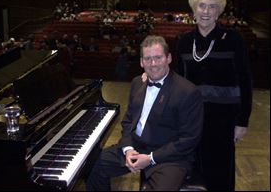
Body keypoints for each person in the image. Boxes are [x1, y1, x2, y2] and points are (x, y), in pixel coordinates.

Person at [86, 35, 204, 191]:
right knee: (92, 164)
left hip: (169, 157)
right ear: (141, 62)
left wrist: (151, 158)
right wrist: (128, 149)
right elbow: (128, 121)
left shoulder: (188, 91)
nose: (153, 64)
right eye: (148, 59)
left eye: (158, 57)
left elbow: (189, 138)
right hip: (136, 147)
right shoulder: (137, 83)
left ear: (168, 58)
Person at [176, 0, 252, 191]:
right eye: (202, 6)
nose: (206, 11)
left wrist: (242, 121)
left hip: (224, 120)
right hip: (191, 119)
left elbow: (245, 80)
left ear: (219, 11)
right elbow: (176, 80)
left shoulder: (234, 40)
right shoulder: (184, 41)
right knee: (194, 175)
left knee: (220, 173)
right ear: (194, 9)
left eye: (212, 6)